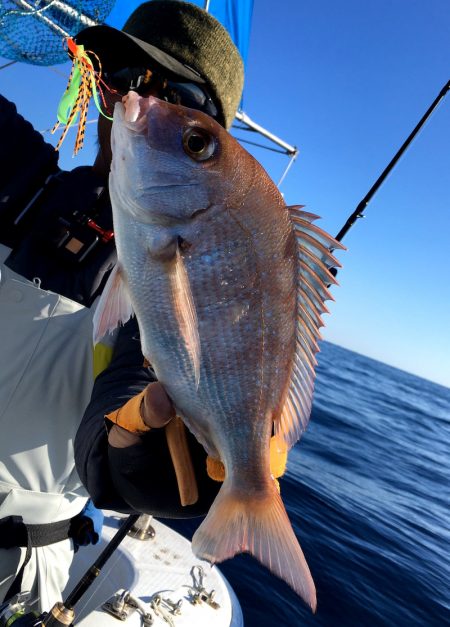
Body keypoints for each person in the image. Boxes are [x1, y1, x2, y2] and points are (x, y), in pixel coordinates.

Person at [0, 0, 244, 613]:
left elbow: (115, 446)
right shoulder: (26, 181)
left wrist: (154, 451)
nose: (141, 104)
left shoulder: (180, 296)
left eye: (174, 96)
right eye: (126, 78)